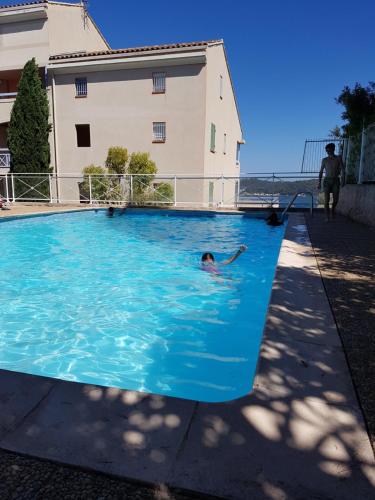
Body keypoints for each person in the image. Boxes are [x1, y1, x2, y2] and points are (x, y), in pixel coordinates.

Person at [318, 143, 345, 221]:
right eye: (327, 151)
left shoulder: (338, 158)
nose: (328, 152)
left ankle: (332, 210)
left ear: (333, 149)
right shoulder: (325, 160)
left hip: (336, 180)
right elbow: (321, 171)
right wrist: (319, 182)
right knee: (326, 200)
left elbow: (343, 170)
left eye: (329, 150)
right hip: (327, 181)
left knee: (336, 200)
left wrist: (343, 180)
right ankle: (327, 217)